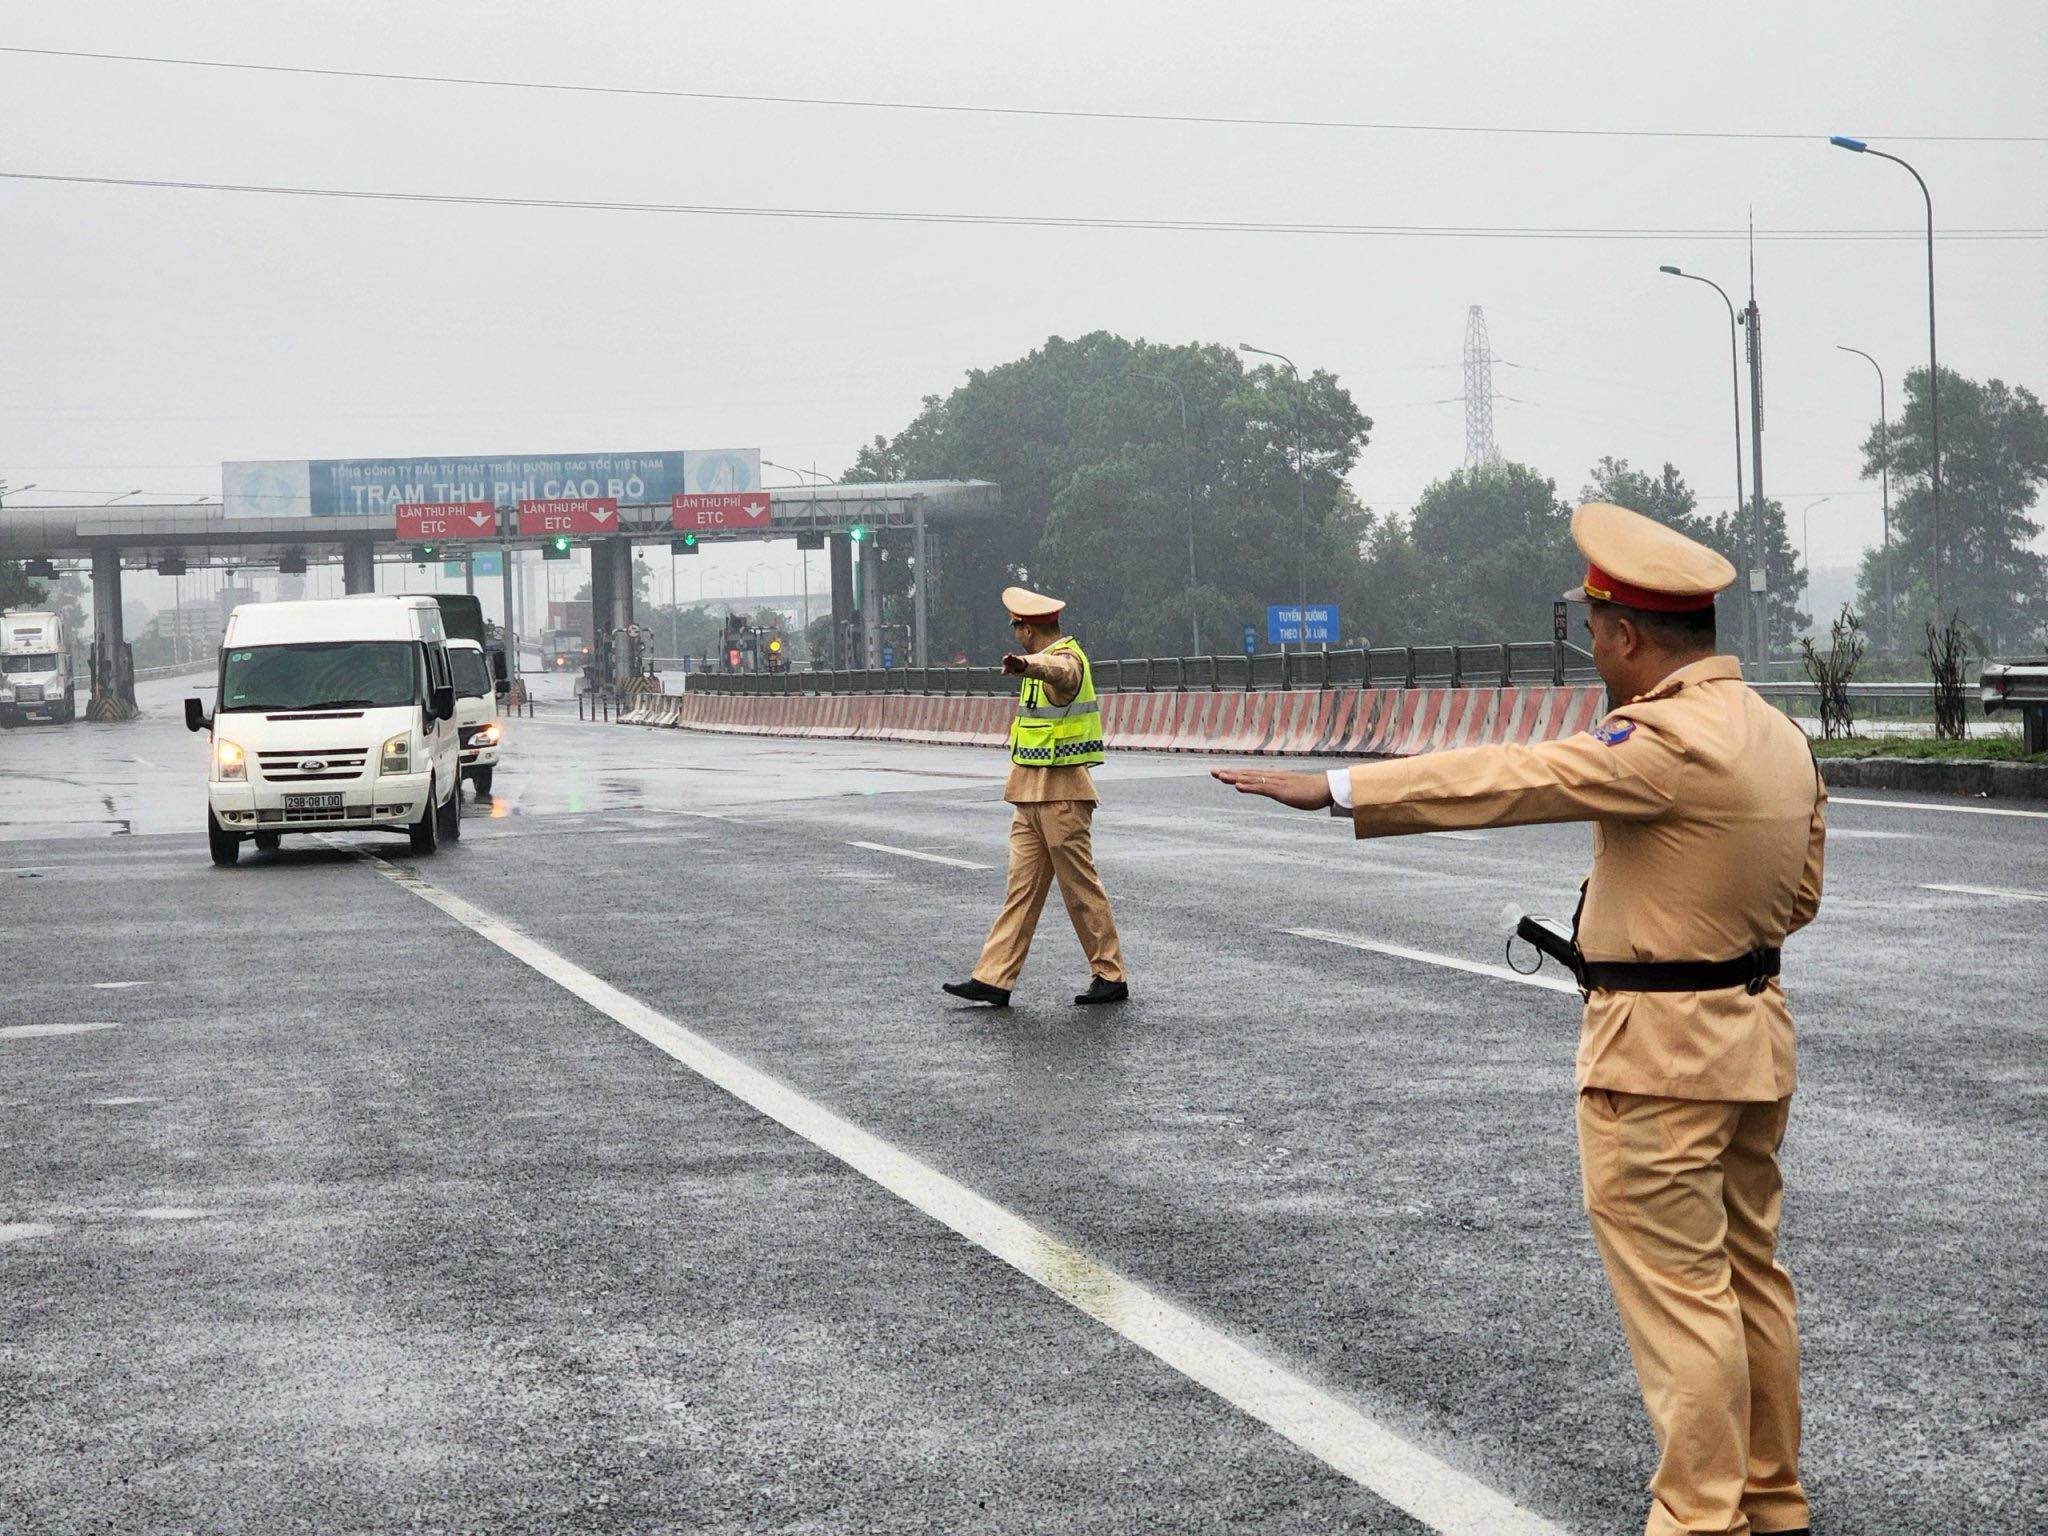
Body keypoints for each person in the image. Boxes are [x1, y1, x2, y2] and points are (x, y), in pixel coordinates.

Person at [1216, 502, 1825, 1536]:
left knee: (1679, 1297)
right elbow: (1799, 894)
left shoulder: (1662, 739)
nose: (1589, 652)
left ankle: (1698, 1518)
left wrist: (1331, 786)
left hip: (1656, 1061)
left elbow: (1513, 775)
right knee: (1745, 1279)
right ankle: (1768, 1497)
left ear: (1627, 636)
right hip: (1750, 1036)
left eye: (1592, 632)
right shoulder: (1773, 733)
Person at [944, 586, 1129, 1008]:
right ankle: (994, 978)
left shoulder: (1066, 659)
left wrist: (1029, 664)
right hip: (1028, 796)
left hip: (1063, 796)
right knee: (1020, 893)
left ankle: (1110, 974)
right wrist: (1028, 666)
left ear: (1027, 630)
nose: (1016, 636)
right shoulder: (1037, 665)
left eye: (1017, 629)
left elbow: (1060, 672)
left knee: (1080, 888)